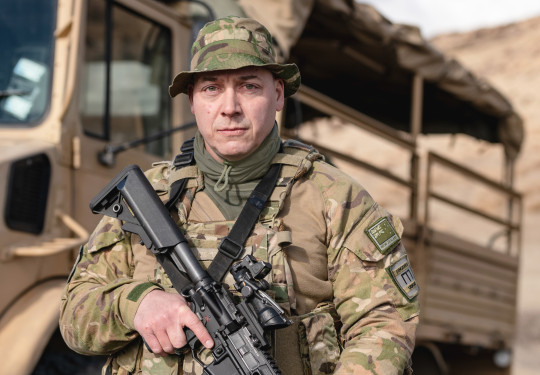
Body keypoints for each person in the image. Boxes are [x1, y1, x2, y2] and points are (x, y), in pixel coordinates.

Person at [60, 16, 419, 375]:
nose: (229, 107)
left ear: (278, 94)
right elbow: (74, 316)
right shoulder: (150, 196)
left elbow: (384, 326)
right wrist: (136, 303)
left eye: (248, 86)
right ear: (192, 101)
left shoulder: (336, 199)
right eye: (211, 88)